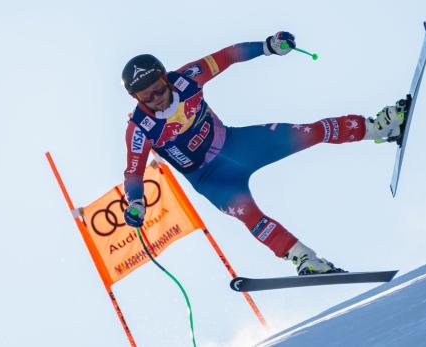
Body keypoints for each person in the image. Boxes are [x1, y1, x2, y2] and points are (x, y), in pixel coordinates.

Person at [121, 31, 405, 275]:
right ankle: (304, 258)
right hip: (211, 178)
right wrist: (136, 203)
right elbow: (133, 173)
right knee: (249, 214)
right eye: (147, 97)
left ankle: (379, 127)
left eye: (158, 89)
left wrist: (268, 46)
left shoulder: (187, 78)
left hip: (237, 146)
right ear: (136, 98)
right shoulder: (139, 129)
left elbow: (229, 55)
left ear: (165, 78)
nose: (157, 98)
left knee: (306, 133)